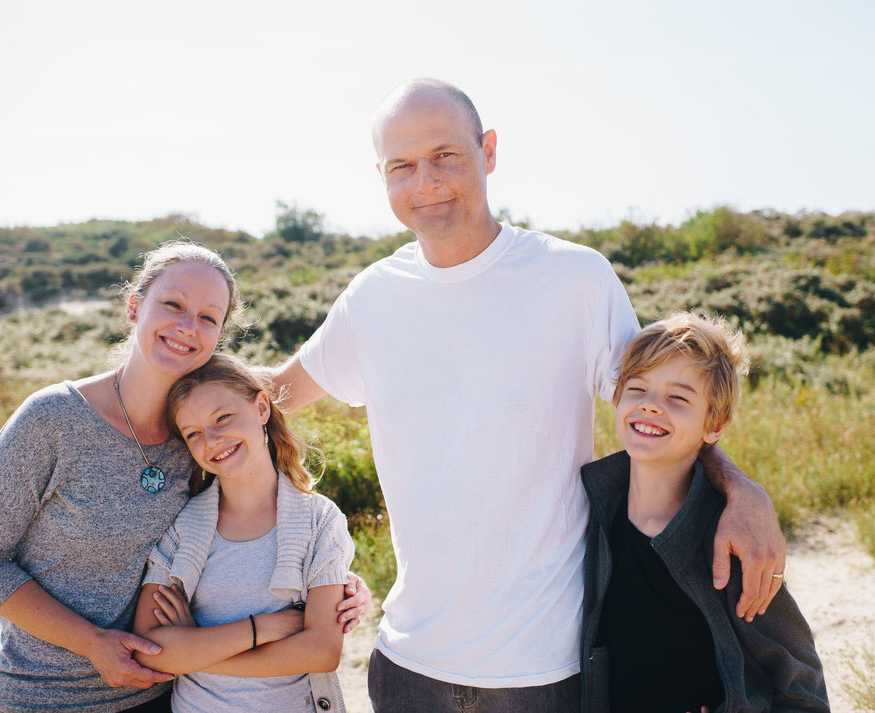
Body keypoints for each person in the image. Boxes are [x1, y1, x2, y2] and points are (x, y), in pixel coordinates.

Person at [271, 78, 788, 712]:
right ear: (381, 175)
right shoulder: (372, 298)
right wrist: (149, 369)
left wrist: (743, 490)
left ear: (488, 150)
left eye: (446, 155)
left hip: (547, 669)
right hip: (408, 662)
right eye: (402, 165)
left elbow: (656, 411)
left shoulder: (574, 278)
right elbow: (269, 397)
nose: (426, 181)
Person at [0, 242, 369, 713]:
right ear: (134, 307)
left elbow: (248, 533)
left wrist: (333, 580)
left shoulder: (196, 438)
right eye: (173, 304)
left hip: (162, 697)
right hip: (39, 696)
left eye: (209, 318)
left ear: (219, 336)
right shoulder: (53, 419)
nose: (188, 327)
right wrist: (92, 643)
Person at [580, 313, 829, 713]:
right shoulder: (590, 511)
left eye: (678, 398)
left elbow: (800, 682)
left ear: (714, 425)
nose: (651, 406)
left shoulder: (731, 542)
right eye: (637, 388)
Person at [131, 353, 353, 713]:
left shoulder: (319, 520)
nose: (213, 439)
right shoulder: (182, 528)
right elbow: (149, 648)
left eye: (223, 417)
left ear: (261, 408)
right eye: (193, 433)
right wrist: (260, 629)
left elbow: (322, 652)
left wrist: (192, 650)